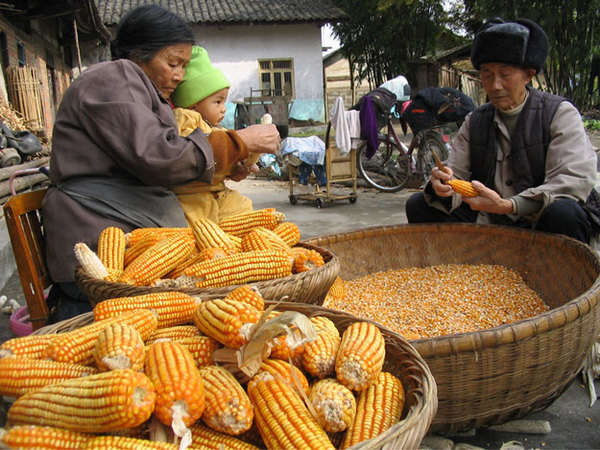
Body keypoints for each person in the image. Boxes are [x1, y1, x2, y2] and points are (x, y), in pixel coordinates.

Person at [41, 5, 280, 320]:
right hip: (96, 248)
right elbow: (160, 158)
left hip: (125, 238)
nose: (179, 75)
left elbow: (160, 164)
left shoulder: (143, 93)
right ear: (138, 54)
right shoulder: (116, 76)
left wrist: (227, 165)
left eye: (183, 65)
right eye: (172, 63)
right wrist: (239, 141)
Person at [406, 17, 597, 244]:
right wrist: (442, 185)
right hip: (489, 218)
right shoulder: (475, 120)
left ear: (528, 74)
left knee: (564, 213)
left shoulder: (559, 113)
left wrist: (510, 205)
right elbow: (455, 171)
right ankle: (450, 274)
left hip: (538, 219)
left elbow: (572, 180)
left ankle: (558, 276)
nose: (495, 85)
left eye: (505, 75)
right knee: (418, 205)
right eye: (487, 75)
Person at [169, 46, 255, 225]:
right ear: (192, 104)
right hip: (193, 198)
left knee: (245, 208)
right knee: (200, 229)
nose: (223, 108)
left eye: (224, 101)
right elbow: (195, 153)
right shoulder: (185, 118)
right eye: (217, 101)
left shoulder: (217, 128)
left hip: (218, 193)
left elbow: (219, 165)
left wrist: (235, 167)